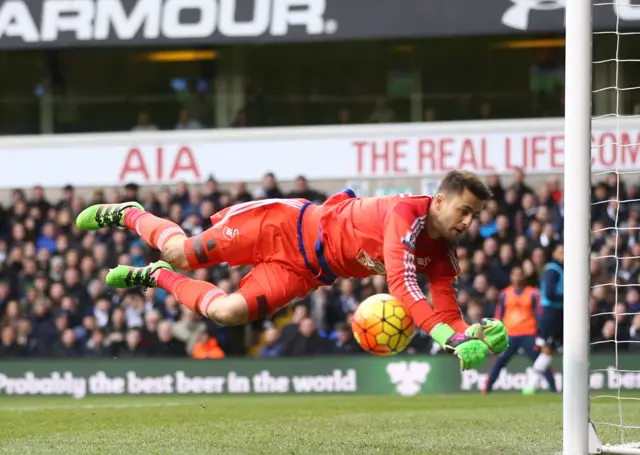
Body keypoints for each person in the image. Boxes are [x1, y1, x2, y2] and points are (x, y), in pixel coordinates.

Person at [75, 170, 509, 369]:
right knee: (181, 253)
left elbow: (448, 309)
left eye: (474, 215)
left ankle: (153, 278)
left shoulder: (444, 253)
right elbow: (401, 282)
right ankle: (132, 214)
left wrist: (470, 334)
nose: (469, 222)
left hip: (306, 272)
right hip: (282, 226)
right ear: (439, 201)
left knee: (228, 312)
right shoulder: (404, 214)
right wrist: (448, 338)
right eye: (464, 211)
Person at [481, 266, 557, 394]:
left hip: (528, 334)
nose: (517, 277)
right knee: (499, 362)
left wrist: (540, 333)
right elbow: (499, 314)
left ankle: (554, 389)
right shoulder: (505, 294)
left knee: (540, 360)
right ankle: (486, 390)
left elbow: (538, 314)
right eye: (514, 274)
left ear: (524, 276)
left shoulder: (532, 293)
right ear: (511, 277)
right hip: (510, 334)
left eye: (519, 274)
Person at [523, 243, 564, 394]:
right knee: (547, 349)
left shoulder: (561, 269)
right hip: (552, 314)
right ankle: (531, 385)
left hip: (559, 313)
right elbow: (550, 294)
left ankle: (535, 384)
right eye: (560, 251)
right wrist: (571, 296)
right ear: (554, 253)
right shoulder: (552, 270)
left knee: (551, 350)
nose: (564, 254)